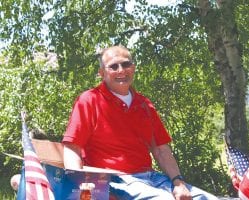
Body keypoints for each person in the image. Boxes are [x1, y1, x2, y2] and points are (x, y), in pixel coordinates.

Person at [62, 45, 218, 200]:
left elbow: (161, 150)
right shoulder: (89, 100)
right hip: (115, 181)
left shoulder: (144, 104)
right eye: (113, 66)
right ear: (102, 73)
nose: (121, 70)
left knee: (208, 199)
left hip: (152, 179)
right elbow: (72, 148)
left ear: (133, 68)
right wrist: (80, 188)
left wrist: (178, 183)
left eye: (126, 64)